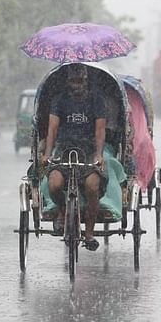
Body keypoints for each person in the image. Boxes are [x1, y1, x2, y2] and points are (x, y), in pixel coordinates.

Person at [40, 63, 107, 251]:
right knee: (54, 184)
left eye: (81, 81)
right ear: (68, 82)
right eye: (73, 81)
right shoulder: (59, 100)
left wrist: (99, 155)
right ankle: (63, 212)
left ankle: (89, 233)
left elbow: (100, 130)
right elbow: (52, 129)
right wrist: (47, 154)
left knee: (92, 186)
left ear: (86, 81)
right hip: (63, 150)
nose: (77, 85)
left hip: (88, 151)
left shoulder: (97, 100)